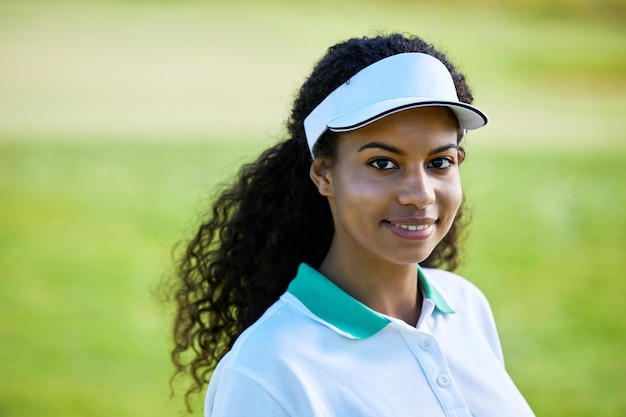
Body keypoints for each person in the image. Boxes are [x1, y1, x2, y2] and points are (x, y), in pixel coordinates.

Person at [170, 33, 535, 416]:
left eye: (439, 162)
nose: (420, 194)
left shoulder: (465, 306)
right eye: (382, 163)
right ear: (324, 174)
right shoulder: (266, 372)